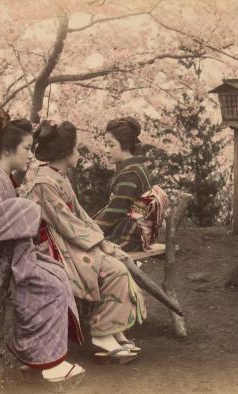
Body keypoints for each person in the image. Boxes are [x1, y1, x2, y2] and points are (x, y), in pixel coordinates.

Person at [0, 112, 85, 388]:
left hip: (6, 255)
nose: (30, 155)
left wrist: (22, 209)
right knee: (49, 286)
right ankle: (47, 362)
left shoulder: (1, 177)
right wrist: (28, 209)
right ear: (8, 149)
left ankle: (41, 357)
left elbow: (7, 218)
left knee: (57, 273)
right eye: (25, 148)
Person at [23, 120, 146, 364]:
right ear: (64, 154)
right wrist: (101, 245)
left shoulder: (58, 176)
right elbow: (67, 224)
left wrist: (104, 243)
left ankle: (113, 329)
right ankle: (102, 332)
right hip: (55, 247)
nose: (79, 153)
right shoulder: (44, 182)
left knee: (115, 264)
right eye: (76, 149)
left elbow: (81, 217)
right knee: (115, 270)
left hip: (70, 241)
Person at [94, 117, 167, 252]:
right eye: (105, 145)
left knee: (83, 250)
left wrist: (90, 231)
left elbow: (115, 212)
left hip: (129, 238)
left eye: (111, 145)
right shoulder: (138, 168)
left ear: (125, 145)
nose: (106, 150)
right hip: (136, 234)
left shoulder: (130, 174)